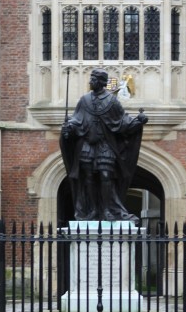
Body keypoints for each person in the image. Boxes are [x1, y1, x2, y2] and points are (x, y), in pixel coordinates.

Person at [60, 69, 148, 223]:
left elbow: (122, 121)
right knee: (88, 177)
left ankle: (107, 210)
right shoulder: (85, 100)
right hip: (87, 145)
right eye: (90, 79)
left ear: (101, 82)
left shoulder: (112, 101)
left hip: (105, 145)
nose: (90, 82)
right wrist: (69, 127)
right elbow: (77, 119)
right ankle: (92, 210)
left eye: (93, 79)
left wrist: (138, 121)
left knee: (106, 176)